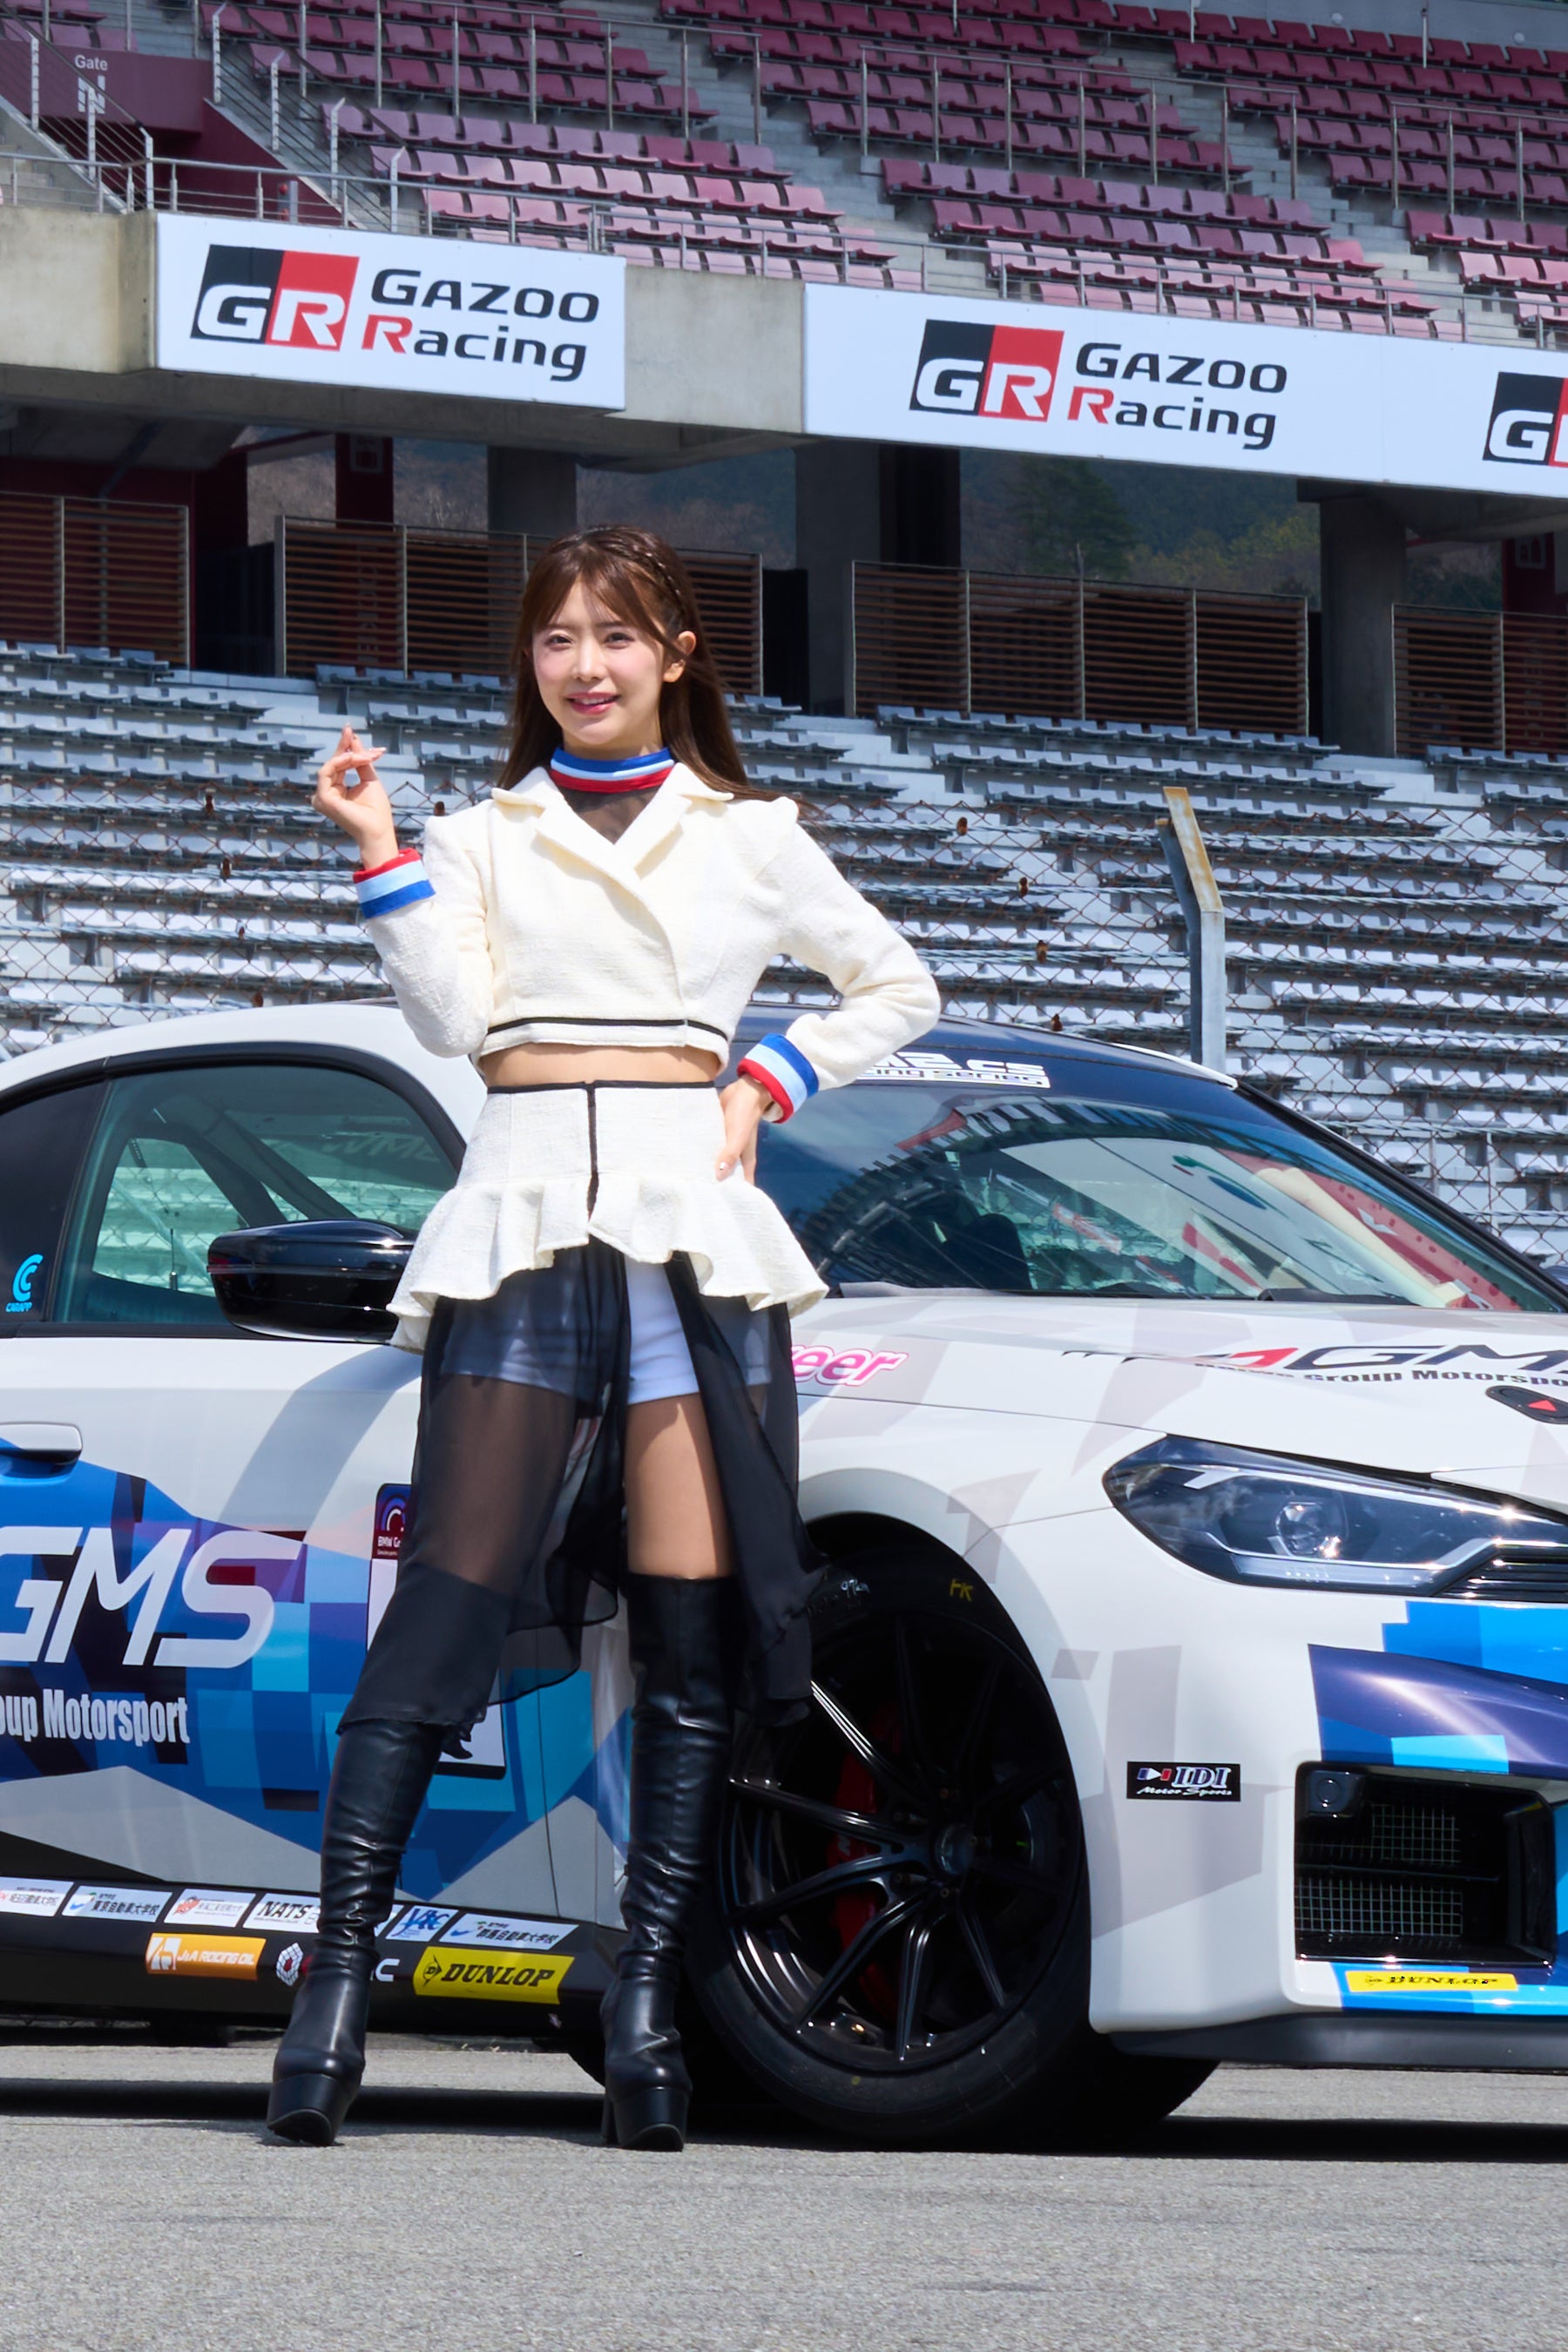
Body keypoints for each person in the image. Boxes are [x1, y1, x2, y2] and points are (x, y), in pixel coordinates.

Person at [267, 525, 939, 2153]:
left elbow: (896, 985)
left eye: (616, 637)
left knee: (693, 1638)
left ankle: (645, 2004)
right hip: (520, 1216)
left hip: (690, 1237)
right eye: (559, 638)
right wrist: (379, 850)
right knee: (445, 1607)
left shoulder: (753, 834)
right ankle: (333, 1988)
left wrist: (767, 1082)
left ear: (676, 656)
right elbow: (451, 1019)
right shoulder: (475, 835)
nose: (584, 665)